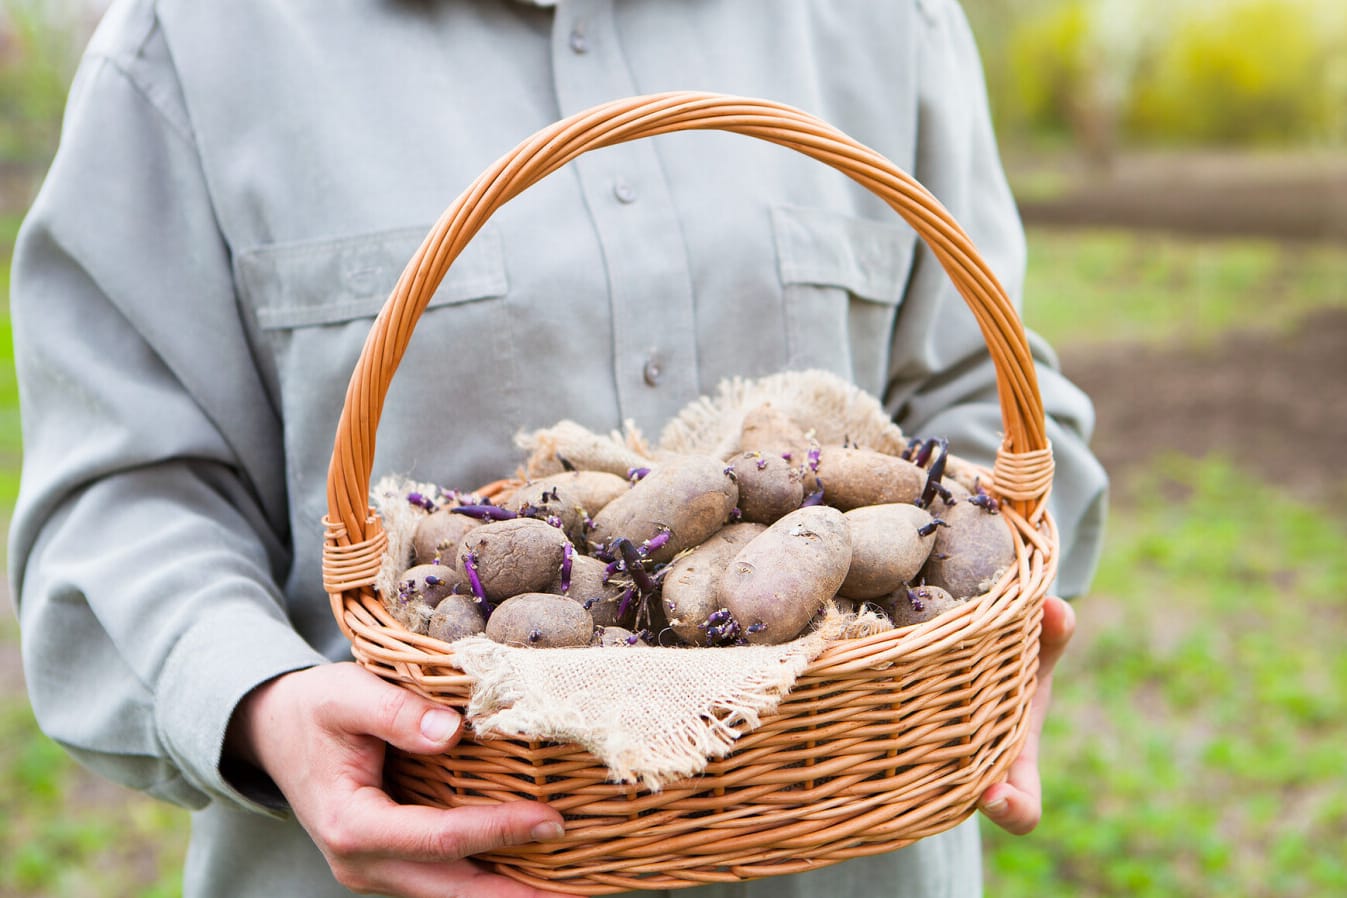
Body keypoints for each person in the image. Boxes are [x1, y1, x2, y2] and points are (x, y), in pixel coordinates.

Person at [8, 1, 1106, 896]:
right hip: (424, 838)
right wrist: (252, 700)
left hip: (860, 844)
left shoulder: (885, 20)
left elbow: (985, 396)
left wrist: (995, 612)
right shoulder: (192, 42)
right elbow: (122, 491)